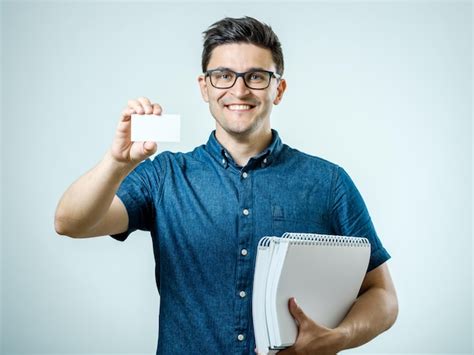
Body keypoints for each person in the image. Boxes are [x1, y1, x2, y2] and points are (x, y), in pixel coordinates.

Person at [55, 16, 398, 355]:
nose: (239, 89)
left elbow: (382, 296)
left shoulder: (328, 183)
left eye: (256, 76)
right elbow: (70, 222)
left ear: (278, 89)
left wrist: (338, 337)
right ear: (205, 87)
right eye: (223, 76)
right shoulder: (165, 175)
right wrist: (116, 163)